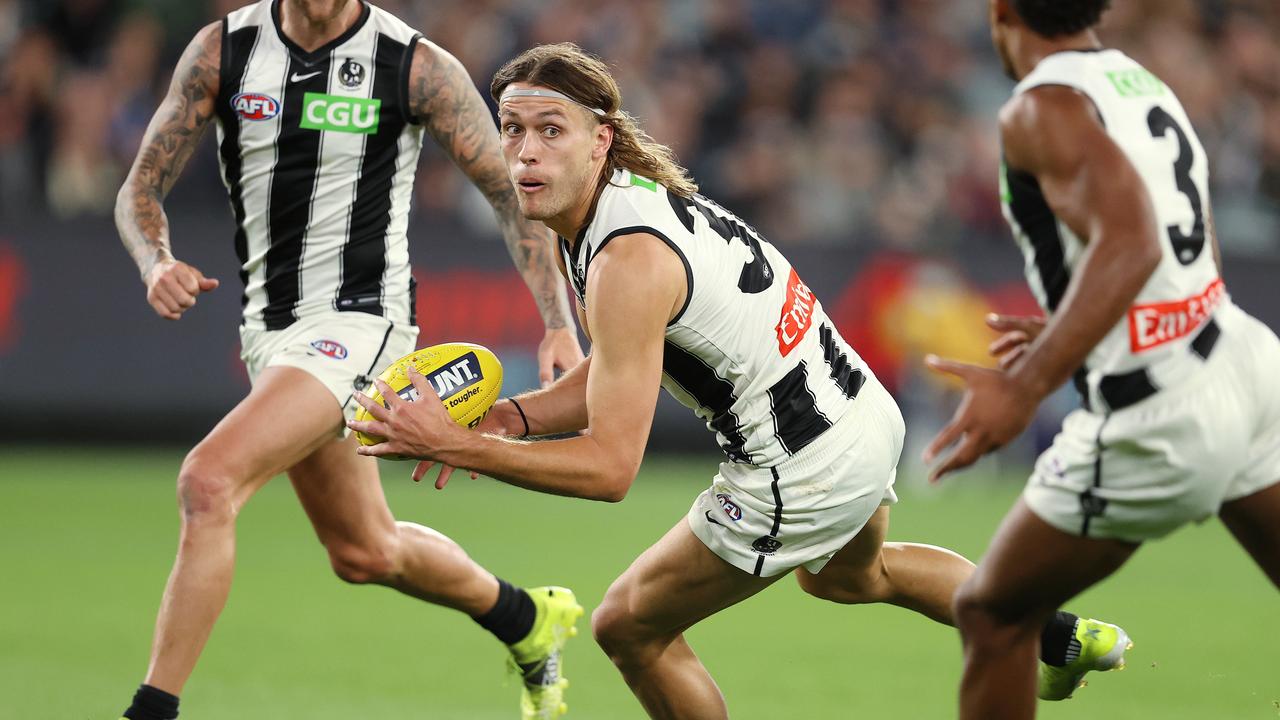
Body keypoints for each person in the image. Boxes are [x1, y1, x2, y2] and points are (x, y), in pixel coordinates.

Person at [351, 42, 1127, 719]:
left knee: (627, 626)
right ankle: (1056, 636)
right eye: (512, 129)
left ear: (601, 141)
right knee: (856, 579)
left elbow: (610, 467)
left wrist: (461, 445)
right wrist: (504, 421)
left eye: (550, 131)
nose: (523, 153)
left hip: (802, 467)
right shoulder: (619, 208)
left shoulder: (626, 258)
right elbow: (615, 371)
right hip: (860, 418)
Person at [113, 2, 586, 719]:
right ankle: (526, 620)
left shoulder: (414, 65)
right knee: (365, 551)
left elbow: (508, 194)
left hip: (363, 324)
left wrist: (558, 321)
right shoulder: (224, 52)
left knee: (207, 483)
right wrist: (155, 262)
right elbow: (139, 188)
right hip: (271, 337)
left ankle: (151, 711)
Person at [922, 1, 1280, 717]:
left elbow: (1132, 243)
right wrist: (1076, 323)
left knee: (994, 614)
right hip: (1242, 360)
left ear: (1000, 10)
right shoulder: (1139, 83)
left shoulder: (1038, 108)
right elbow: (1186, 247)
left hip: (1161, 408)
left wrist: (1026, 385)